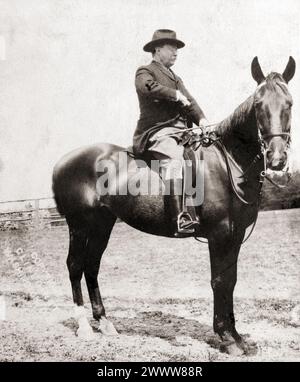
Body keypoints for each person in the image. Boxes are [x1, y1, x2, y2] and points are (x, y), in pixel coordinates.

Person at [133, 29, 209, 235]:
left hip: (181, 134)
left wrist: (201, 119)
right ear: (157, 49)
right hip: (156, 133)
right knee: (175, 160)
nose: (176, 53)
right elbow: (147, 88)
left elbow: (190, 101)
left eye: (177, 49)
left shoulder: (176, 77)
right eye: (171, 48)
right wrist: (174, 95)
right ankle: (180, 218)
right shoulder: (144, 72)